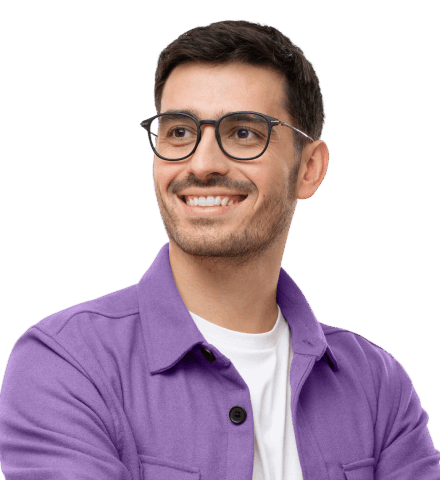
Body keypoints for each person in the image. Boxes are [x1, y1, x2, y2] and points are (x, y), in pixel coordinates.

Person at [0, 19, 438, 480]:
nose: (203, 163)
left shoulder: (379, 385)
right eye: (179, 132)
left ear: (310, 168)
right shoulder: (66, 362)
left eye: (243, 133)